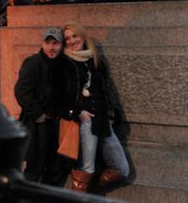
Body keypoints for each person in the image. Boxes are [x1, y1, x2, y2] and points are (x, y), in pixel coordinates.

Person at [55, 22, 129, 193]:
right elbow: (59, 95)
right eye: (68, 39)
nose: (72, 41)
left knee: (121, 169)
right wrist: (79, 112)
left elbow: (106, 89)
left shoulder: (95, 60)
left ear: (82, 36)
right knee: (86, 168)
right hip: (85, 121)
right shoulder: (64, 63)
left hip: (103, 120)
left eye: (75, 36)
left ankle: (92, 194)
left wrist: (112, 112)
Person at [15, 27, 67, 185]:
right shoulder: (33, 62)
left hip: (58, 124)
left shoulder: (64, 65)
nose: (51, 47)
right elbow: (22, 90)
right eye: (48, 43)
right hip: (37, 124)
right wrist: (38, 114)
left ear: (62, 46)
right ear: (42, 44)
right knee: (33, 169)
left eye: (56, 43)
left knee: (56, 168)